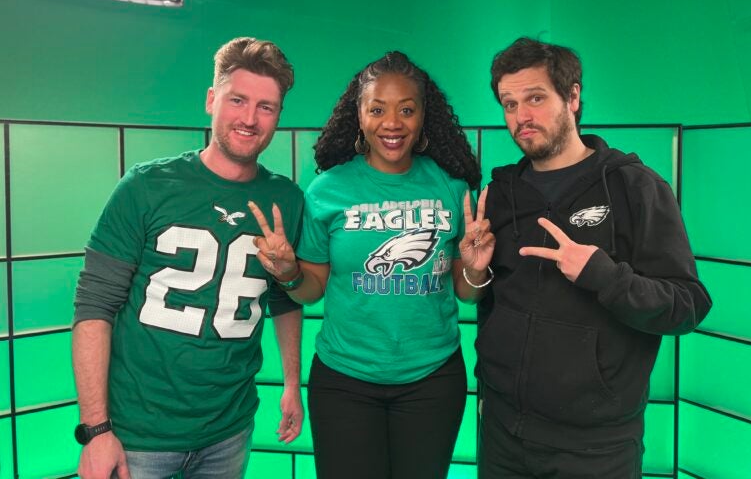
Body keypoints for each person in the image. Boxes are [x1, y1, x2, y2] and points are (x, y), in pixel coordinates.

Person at [248, 51, 494, 479]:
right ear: (358, 115)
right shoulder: (328, 189)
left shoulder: (452, 186)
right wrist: (287, 272)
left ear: (423, 118)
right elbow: (312, 290)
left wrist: (474, 267)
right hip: (345, 380)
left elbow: (467, 293)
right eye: (377, 109)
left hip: (432, 380)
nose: (392, 123)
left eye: (406, 109)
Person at [475, 37, 712, 478]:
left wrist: (604, 276)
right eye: (509, 104)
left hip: (596, 448)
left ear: (573, 97)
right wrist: (475, 272)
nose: (521, 117)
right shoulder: (502, 194)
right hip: (504, 434)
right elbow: (494, 302)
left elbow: (687, 305)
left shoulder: (634, 187)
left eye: (535, 98)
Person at [72, 37, 305, 479]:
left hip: (229, 430)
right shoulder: (146, 187)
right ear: (211, 99)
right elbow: (94, 306)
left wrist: (291, 384)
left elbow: (285, 298)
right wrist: (96, 428)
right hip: (138, 434)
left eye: (266, 107)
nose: (250, 119)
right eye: (238, 100)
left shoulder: (286, 201)